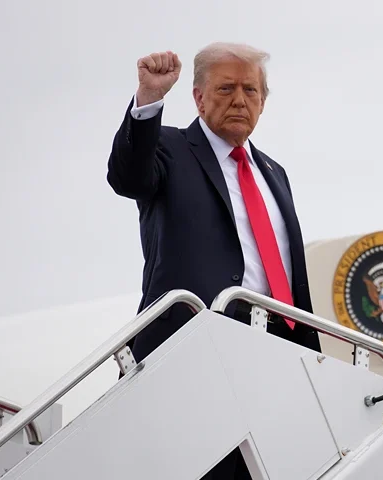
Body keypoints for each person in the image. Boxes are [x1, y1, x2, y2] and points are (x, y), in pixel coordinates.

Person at [106, 43, 321, 478]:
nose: (240, 100)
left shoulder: (274, 172)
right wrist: (148, 100)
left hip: (276, 348)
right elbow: (128, 176)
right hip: (197, 341)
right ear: (199, 98)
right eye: (225, 89)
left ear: (263, 101)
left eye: (251, 90)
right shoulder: (168, 147)